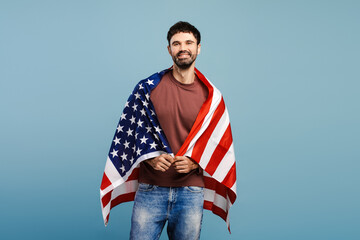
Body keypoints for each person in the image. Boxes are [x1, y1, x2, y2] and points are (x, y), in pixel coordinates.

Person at [100, 21, 237, 240]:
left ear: (198, 47)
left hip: (190, 193)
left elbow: (218, 145)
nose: (183, 47)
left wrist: (196, 161)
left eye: (189, 42)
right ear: (169, 49)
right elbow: (130, 133)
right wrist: (148, 158)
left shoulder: (212, 98)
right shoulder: (146, 89)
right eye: (177, 43)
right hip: (150, 190)